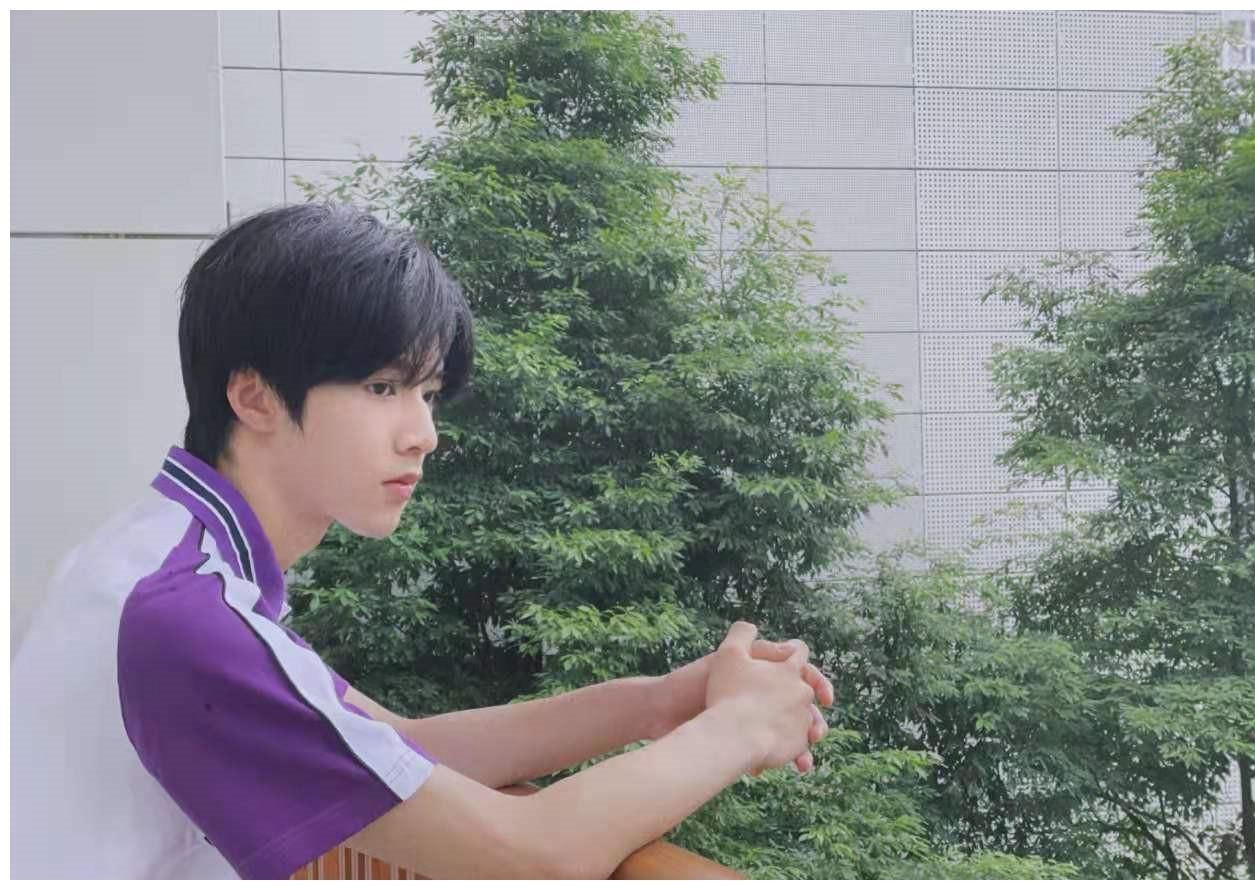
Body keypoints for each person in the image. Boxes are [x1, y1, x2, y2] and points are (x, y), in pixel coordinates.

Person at [9, 203, 834, 879]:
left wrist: (661, 702)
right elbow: (537, 857)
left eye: (429, 393)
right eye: (382, 388)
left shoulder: (162, 557)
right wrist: (740, 730)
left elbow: (402, 748)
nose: (423, 434)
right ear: (254, 397)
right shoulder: (183, 613)